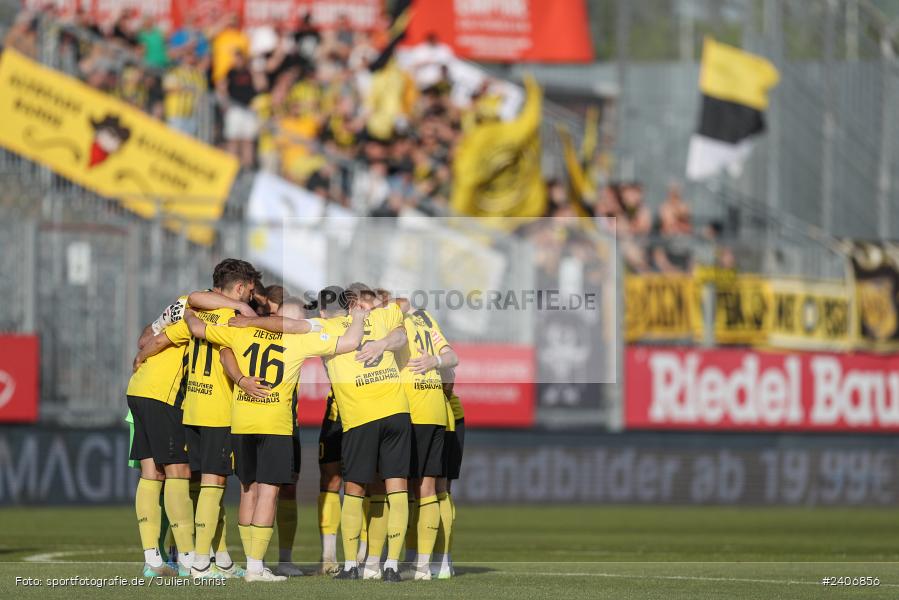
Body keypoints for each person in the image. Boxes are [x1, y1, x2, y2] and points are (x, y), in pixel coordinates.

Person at [183, 295, 367, 582]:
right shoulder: (300, 340)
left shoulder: (241, 330)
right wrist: (358, 317)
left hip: (242, 422)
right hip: (275, 425)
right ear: (294, 322)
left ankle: (251, 563)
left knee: (248, 490)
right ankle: (255, 568)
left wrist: (185, 309)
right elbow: (351, 342)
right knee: (268, 493)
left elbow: (197, 328)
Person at [129, 287, 256, 578]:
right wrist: (241, 307)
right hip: (164, 395)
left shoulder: (182, 313)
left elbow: (148, 339)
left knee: (152, 474)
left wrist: (140, 358)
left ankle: (153, 560)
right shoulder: (202, 311)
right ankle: (190, 560)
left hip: (138, 389)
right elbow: (194, 299)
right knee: (179, 474)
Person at [394, 306, 459, 580]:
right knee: (432, 489)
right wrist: (437, 361)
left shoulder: (396, 317)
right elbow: (451, 361)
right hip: (439, 412)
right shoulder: (424, 317)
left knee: (420, 488)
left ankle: (432, 560)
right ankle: (428, 561)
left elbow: (450, 370)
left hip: (421, 411)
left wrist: (435, 362)